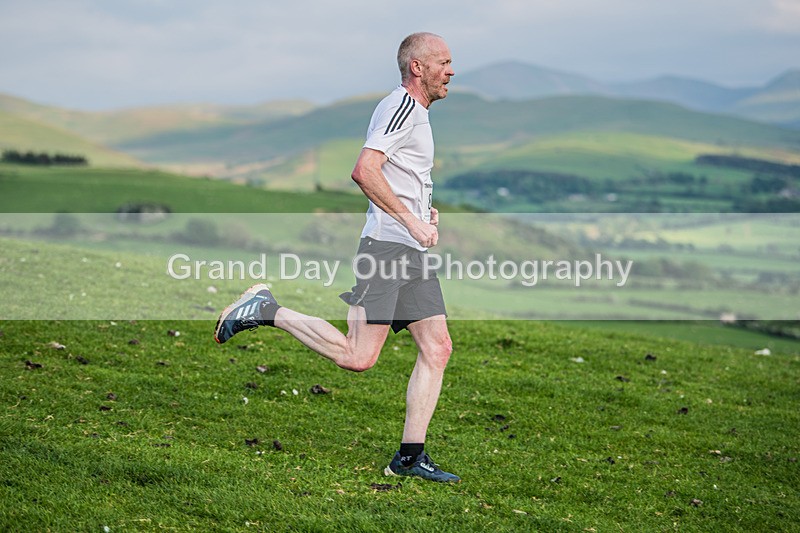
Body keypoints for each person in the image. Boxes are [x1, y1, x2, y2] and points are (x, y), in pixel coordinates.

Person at [214, 32, 458, 483]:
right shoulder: (402, 107)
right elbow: (364, 170)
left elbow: (399, 175)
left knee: (437, 347)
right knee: (357, 356)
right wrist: (411, 221)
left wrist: (423, 213)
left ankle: (409, 458)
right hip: (387, 250)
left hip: (410, 251)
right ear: (417, 67)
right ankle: (265, 309)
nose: (451, 70)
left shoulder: (416, 114)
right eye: (443, 62)